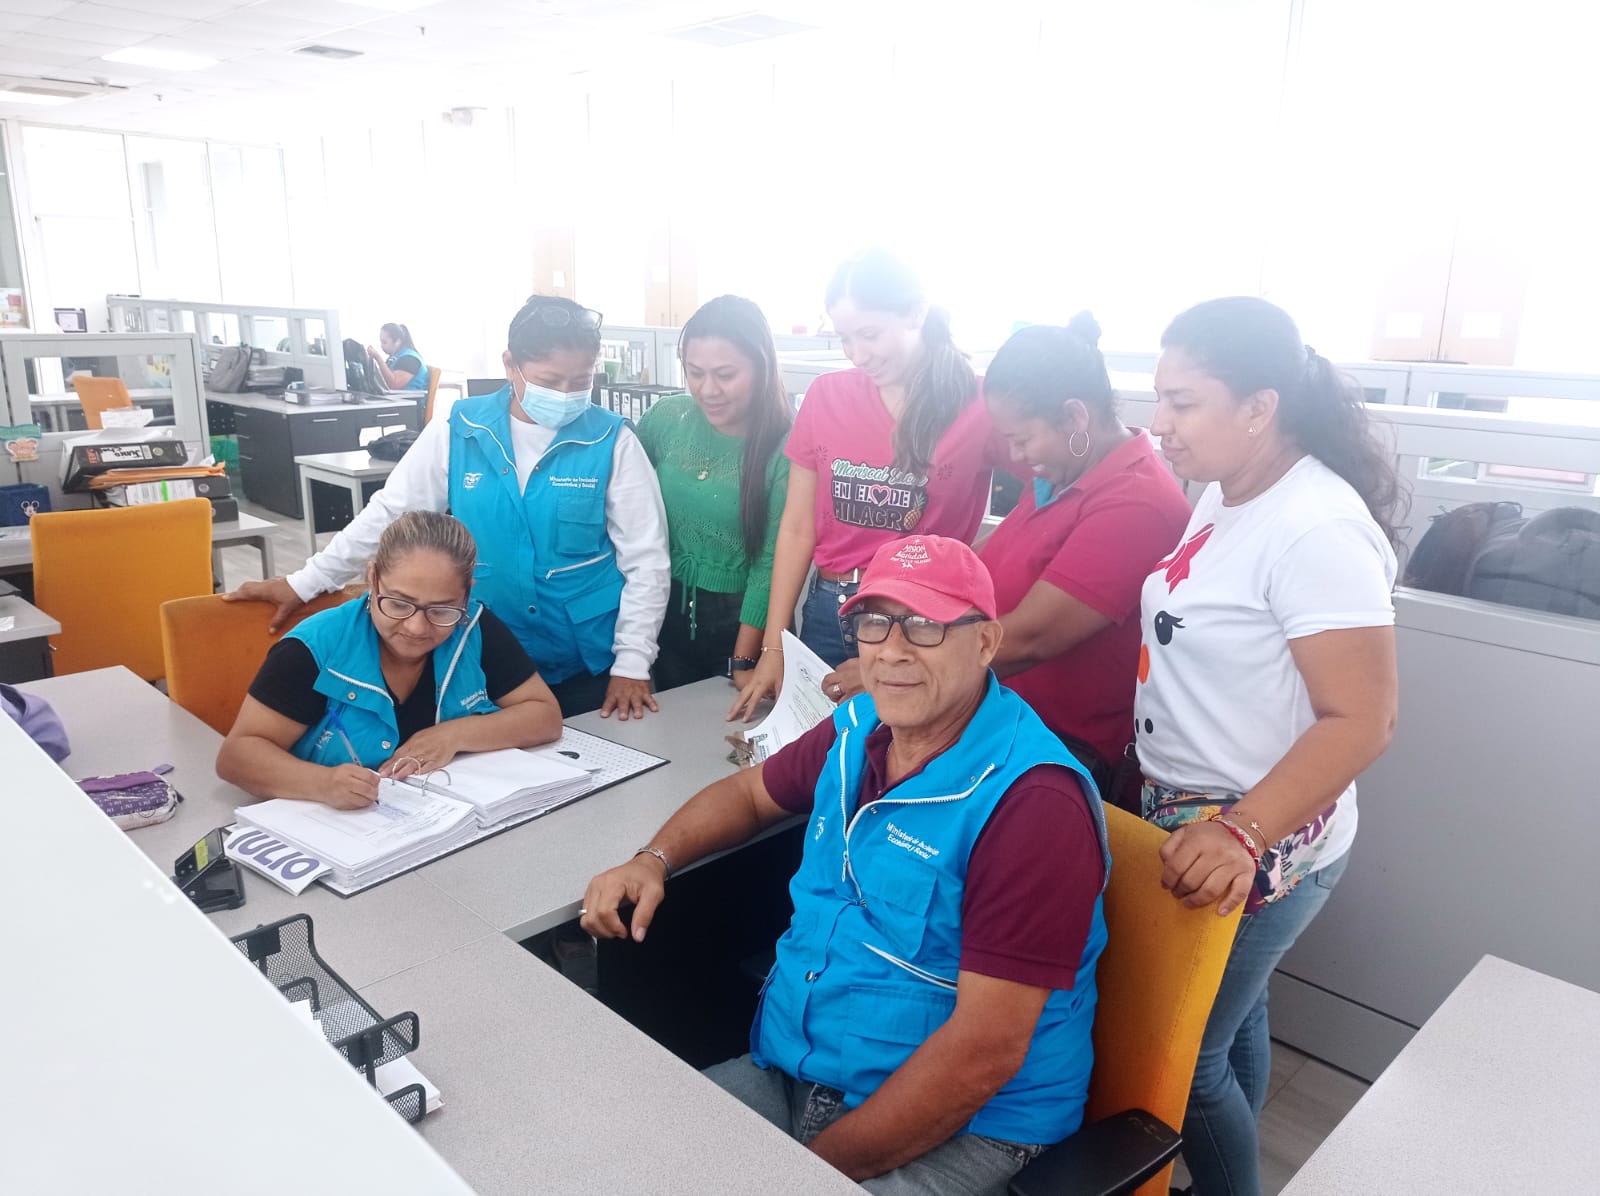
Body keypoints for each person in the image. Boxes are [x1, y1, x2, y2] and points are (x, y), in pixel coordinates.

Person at [582, 534, 1110, 1196]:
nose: (891, 649)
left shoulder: (1033, 805)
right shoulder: (859, 726)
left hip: (969, 1123)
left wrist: (802, 1177)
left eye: (925, 625)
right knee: (618, 1160)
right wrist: (653, 860)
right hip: (798, 1070)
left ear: (985, 642)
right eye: (874, 623)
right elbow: (750, 795)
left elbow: (983, 1054)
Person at [1135, 297, 1401, 1196]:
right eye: (1159, 398)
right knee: (1236, 1023)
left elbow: (1363, 719)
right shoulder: (1227, 487)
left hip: (1261, 837)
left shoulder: (1316, 528)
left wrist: (1240, 832)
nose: (1160, 423)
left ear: (1259, 408)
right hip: (1194, 815)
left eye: (1183, 403)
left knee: (1185, 1062)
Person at [227, 295, 672, 720]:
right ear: (510, 365)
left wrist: (632, 664)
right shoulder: (460, 429)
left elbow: (646, 560)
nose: (566, 395)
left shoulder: (613, 441)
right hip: (483, 654)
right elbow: (389, 515)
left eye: (581, 382)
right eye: (550, 381)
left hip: (586, 660)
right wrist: (305, 582)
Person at [820, 314, 1192, 782]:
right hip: (990, 719)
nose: (1015, 458)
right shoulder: (1058, 476)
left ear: (1076, 417)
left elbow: (1034, 637)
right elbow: (980, 563)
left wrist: (892, 671)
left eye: (1022, 439)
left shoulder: (1137, 504)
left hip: (1054, 748)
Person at [730, 250, 1001, 721]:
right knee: (816, 749)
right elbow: (797, 527)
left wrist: (974, 564)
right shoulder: (827, 396)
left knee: (909, 750)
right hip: (829, 609)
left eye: (870, 334)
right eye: (845, 338)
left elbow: (1045, 502)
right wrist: (775, 646)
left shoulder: (980, 404)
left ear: (916, 313)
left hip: (924, 623)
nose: (857, 354)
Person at [217, 511, 562, 806]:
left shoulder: (473, 627)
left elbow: (544, 716)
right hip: (336, 829)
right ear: (373, 578)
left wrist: (455, 734)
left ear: (467, 594)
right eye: (398, 603)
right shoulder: (315, 648)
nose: (416, 627)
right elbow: (237, 757)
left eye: (441, 610)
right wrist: (322, 784)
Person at [635, 296, 792, 692]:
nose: (708, 390)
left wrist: (743, 659)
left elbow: (770, 565)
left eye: (725, 374)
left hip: (743, 623)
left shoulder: (787, 445)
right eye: (695, 372)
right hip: (663, 611)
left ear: (761, 367)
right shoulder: (666, 419)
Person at [367, 323, 428, 392]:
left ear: (398, 342)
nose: (381, 345)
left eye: (384, 342)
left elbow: (394, 385)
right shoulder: (395, 357)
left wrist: (378, 358)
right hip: (396, 397)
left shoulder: (409, 359)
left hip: (410, 398)